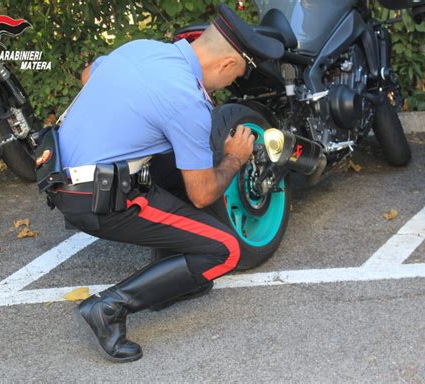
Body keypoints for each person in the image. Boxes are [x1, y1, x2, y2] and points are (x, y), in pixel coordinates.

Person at [47, 4, 283, 362]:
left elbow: (87, 75)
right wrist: (234, 157)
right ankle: (110, 308)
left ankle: (169, 275)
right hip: (101, 201)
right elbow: (202, 195)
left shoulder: (143, 49)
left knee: (180, 159)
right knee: (223, 250)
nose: (232, 83)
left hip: (62, 178)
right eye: (236, 76)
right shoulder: (188, 101)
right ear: (227, 65)